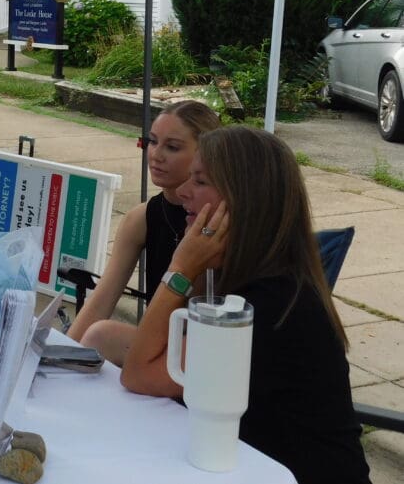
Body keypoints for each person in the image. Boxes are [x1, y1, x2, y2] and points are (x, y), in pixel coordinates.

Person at [119, 126, 370, 484]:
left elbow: (138, 374)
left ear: (245, 200)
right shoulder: (258, 278)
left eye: (201, 182)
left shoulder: (268, 302)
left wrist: (180, 269)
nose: (183, 191)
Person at [69, 100, 220, 363]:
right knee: (95, 336)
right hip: (156, 347)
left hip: (207, 355)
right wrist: (61, 353)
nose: (156, 154)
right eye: (152, 141)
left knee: (103, 336)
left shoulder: (218, 220)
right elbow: (101, 300)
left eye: (172, 147)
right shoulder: (141, 218)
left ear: (204, 154)